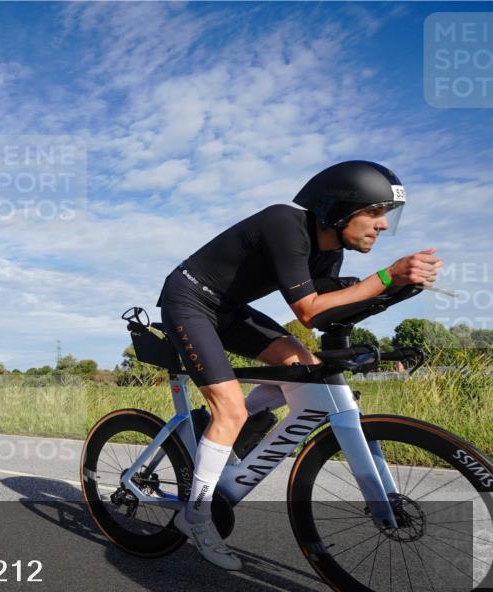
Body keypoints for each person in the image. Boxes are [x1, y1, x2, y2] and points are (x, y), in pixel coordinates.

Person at [158, 160, 442, 570]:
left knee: (306, 372)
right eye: (375, 212)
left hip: (231, 309)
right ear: (341, 210)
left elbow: (333, 308)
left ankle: (225, 432)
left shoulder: (330, 251)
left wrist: (398, 288)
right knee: (230, 407)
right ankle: (196, 517)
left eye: (386, 216)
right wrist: (386, 274)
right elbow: (309, 311)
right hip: (189, 300)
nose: (382, 225)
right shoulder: (284, 224)